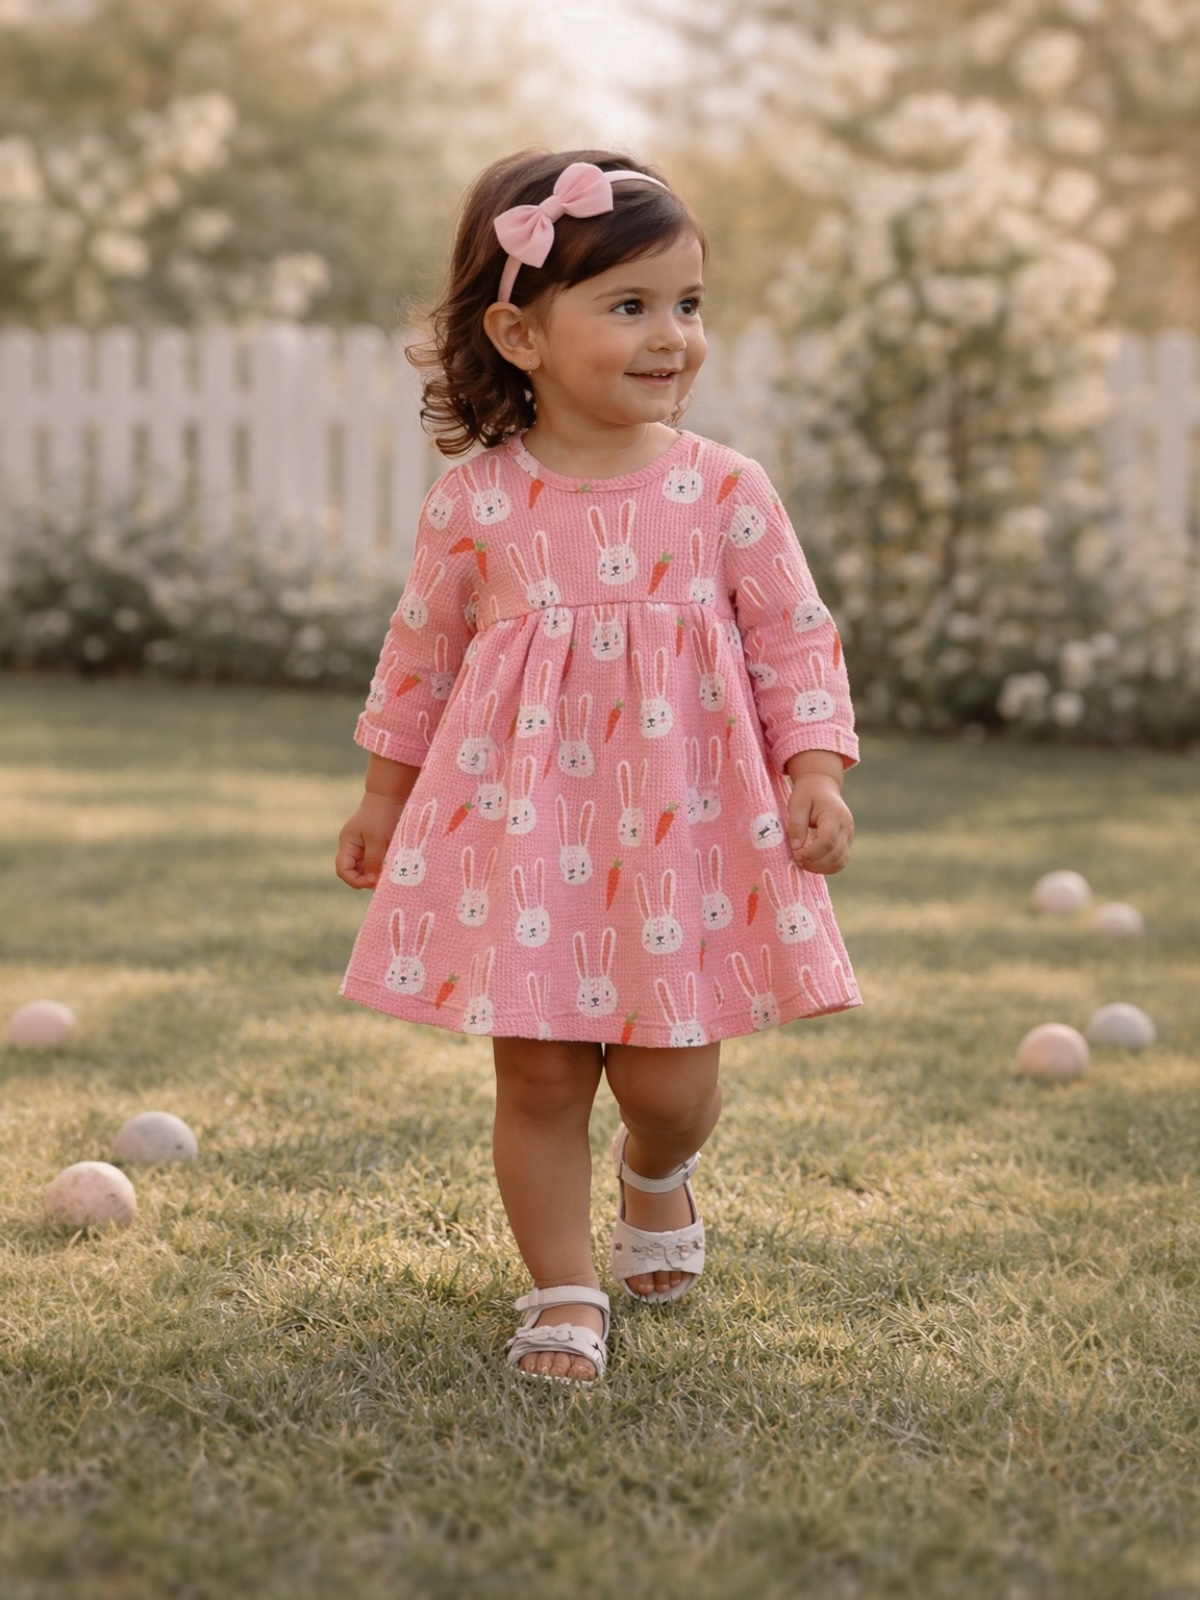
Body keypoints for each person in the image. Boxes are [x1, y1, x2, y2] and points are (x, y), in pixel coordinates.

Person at [335, 148, 859, 1386]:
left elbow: (794, 635)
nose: (672, 334)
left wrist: (817, 768)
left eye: (688, 304)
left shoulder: (723, 488)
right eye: (630, 304)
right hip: (527, 833)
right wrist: (382, 796)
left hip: (684, 828)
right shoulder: (478, 502)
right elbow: (421, 652)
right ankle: (564, 1292)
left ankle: (656, 1169)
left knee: (671, 1080)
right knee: (539, 1067)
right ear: (520, 333)